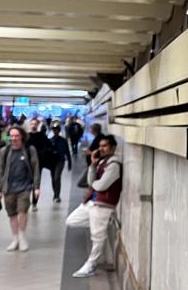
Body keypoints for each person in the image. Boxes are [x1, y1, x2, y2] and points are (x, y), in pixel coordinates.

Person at [65, 134, 121, 278]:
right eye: (100, 146)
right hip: (92, 202)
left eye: (105, 146)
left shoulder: (114, 165)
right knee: (71, 220)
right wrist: (93, 165)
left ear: (113, 148)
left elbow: (102, 185)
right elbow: (91, 182)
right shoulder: (102, 163)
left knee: (97, 237)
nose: (101, 149)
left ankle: (90, 264)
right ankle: (106, 222)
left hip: (103, 204)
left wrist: (96, 186)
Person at [0, 126, 41, 252]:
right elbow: (0, 171)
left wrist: (36, 187)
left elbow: (36, 168)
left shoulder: (29, 150)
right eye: (12, 136)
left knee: (22, 212)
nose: (14, 138)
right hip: (8, 188)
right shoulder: (4, 151)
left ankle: (22, 236)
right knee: (12, 215)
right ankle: (15, 238)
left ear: (22, 136)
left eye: (17, 136)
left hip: (25, 187)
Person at [25, 118, 54, 211]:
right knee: (27, 183)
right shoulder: (26, 136)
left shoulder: (42, 136)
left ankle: (34, 203)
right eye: (32, 124)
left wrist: (42, 153)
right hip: (27, 163)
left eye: (35, 124)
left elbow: (49, 146)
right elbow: (10, 139)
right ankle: (26, 202)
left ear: (37, 125)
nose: (33, 125)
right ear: (30, 125)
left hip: (38, 163)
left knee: (36, 183)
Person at [49, 123, 71, 203]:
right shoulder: (50, 140)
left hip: (60, 161)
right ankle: (55, 194)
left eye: (57, 130)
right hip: (52, 162)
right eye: (54, 130)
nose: (55, 131)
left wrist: (69, 163)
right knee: (53, 179)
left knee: (57, 177)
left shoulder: (63, 140)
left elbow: (67, 152)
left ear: (59, 130)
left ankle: (57, 195)